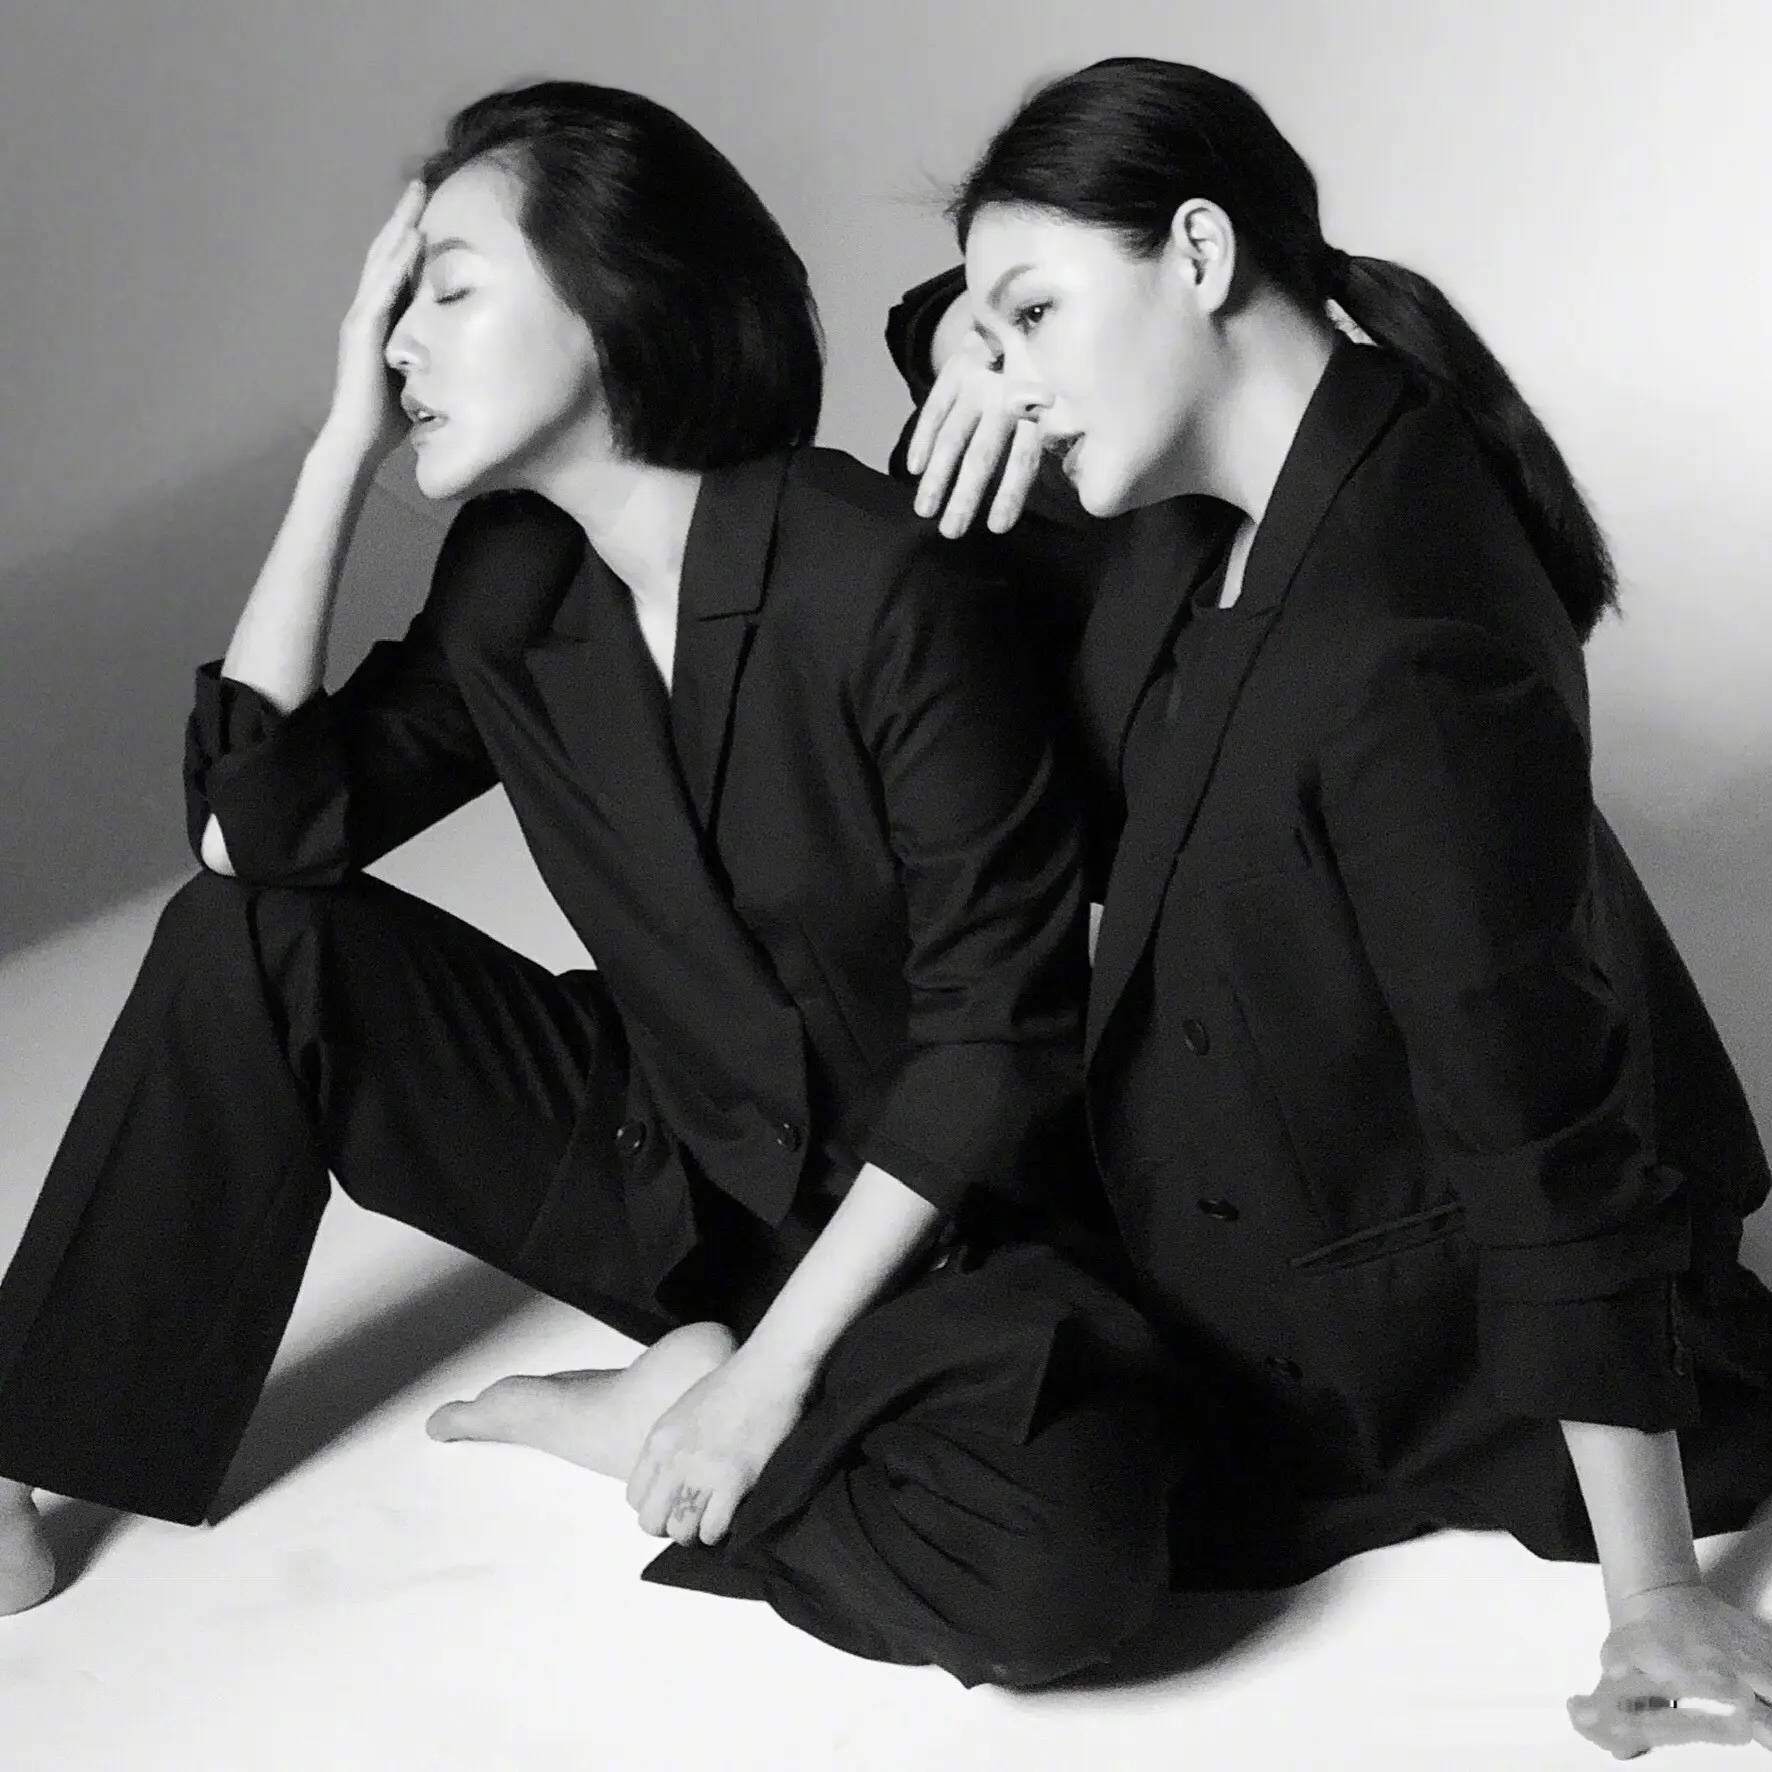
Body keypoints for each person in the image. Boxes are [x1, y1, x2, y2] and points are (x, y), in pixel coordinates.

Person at [0, 80, 1178, 1689]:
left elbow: (1000, 1037)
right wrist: (337, 452)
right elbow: (254, 838)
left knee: (1066, 1561)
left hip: (924, 1230)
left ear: (618, 297)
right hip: (665, 1168)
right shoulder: (514, 582)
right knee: (252, 939)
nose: (400, 341)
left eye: (449, 292)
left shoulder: (876, 576)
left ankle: (686, 1400)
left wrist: (760, 1382)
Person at [885, 55, 1772, 1752]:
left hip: (1382, 1336)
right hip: (1226, 1166)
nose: (1012, 380)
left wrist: (1655, 1589)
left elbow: (1542, 1113)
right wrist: (968, 342)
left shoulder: (1400, 640)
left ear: (1200, 252)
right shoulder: (1281, 461)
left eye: (1035, 317)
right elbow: (945, 326)